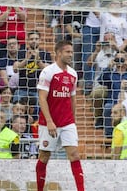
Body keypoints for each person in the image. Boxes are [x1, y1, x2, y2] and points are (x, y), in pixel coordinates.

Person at [36, 40, 84, 191]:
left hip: (67, 122)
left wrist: (73, 121)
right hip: (48, 122)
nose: (71, 54)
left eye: (71, 52)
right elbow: (42, 98)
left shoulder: (73, 74)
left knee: (74, 155)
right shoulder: (48, 72)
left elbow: (72, 98)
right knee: (44, 156)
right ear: (58, 53)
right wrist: (50, 121)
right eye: (67, 52)